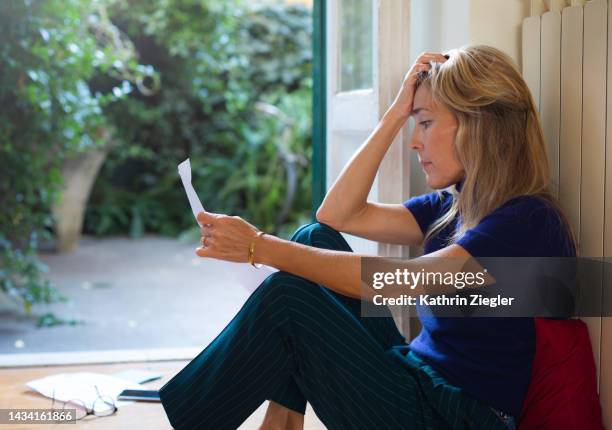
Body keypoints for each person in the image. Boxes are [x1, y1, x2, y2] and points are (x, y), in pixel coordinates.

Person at [158, 45, 577, 430]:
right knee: (315, 235)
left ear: (480, 125)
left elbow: (401, 282)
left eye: (426, 122)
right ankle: (282, 421)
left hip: (455, 417)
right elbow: (338, 213)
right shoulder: (454, 206)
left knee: (289, 297)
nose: (414, 141)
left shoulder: (527, 220)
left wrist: (259, 245)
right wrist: (395, 113)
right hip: (420, 381)